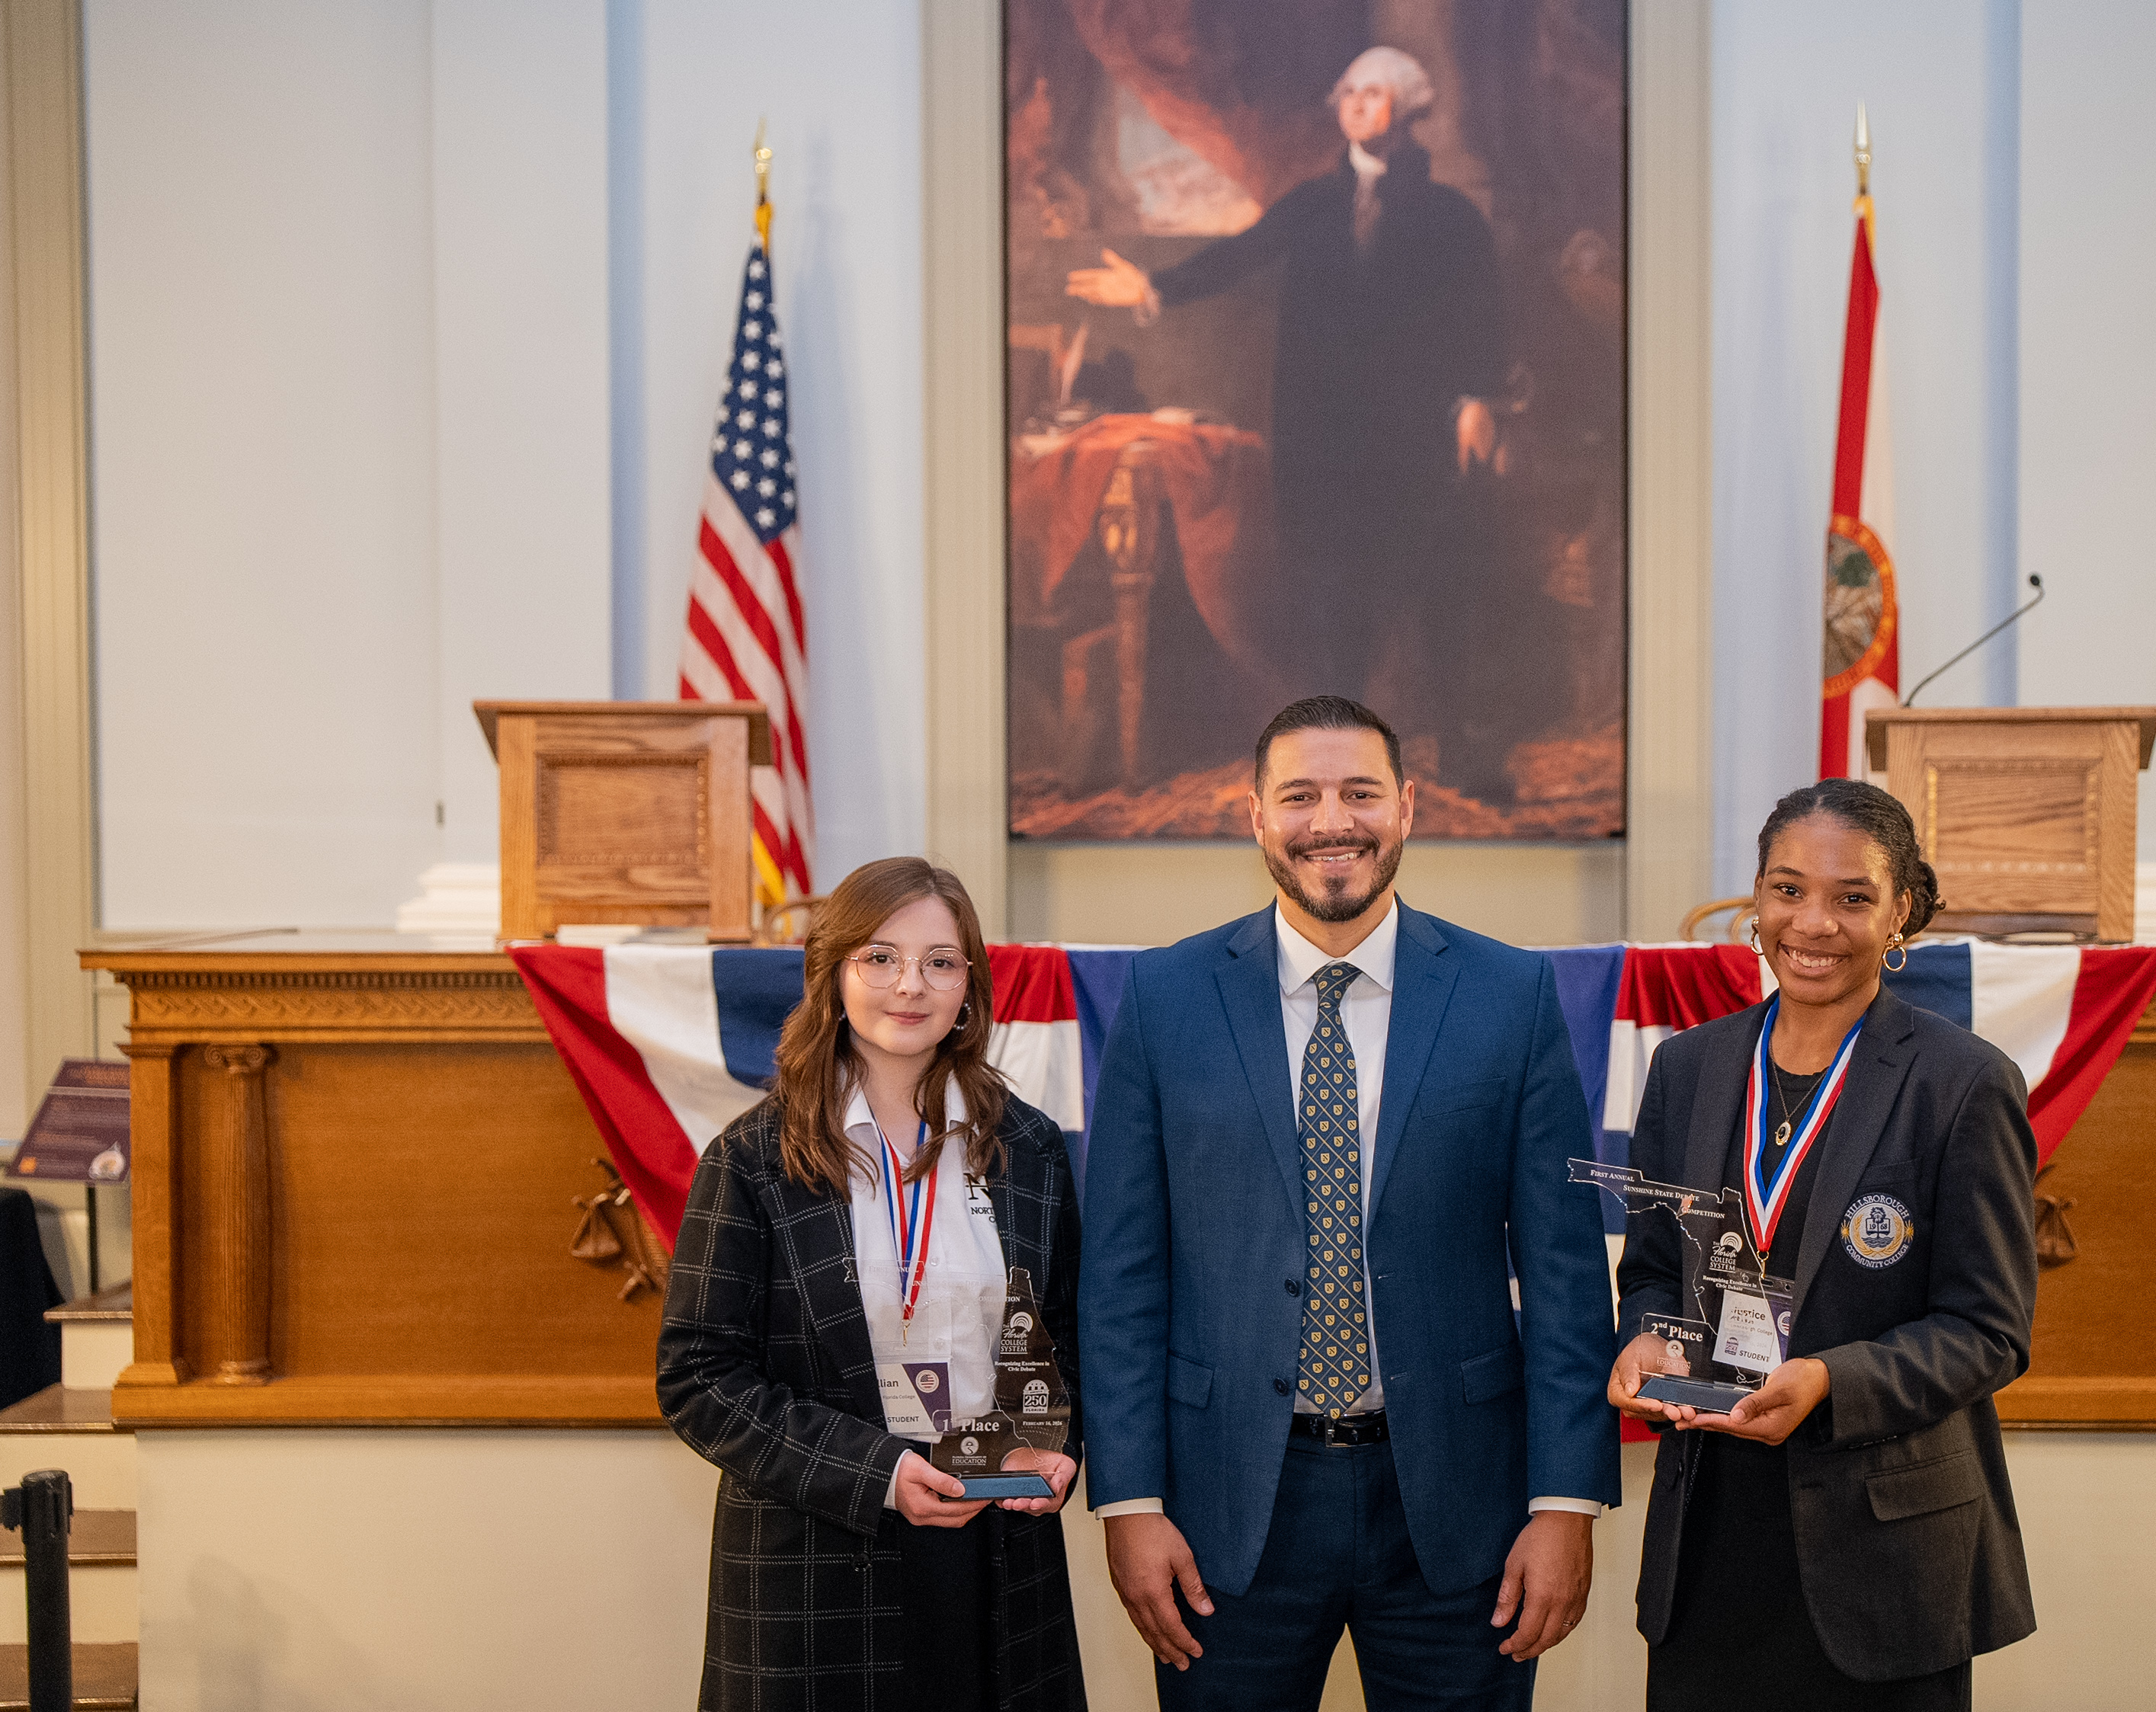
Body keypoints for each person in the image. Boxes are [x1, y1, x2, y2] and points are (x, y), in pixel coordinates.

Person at [1081, 694, 1619, 1710]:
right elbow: (1120, 1273)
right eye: (1300, 794)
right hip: (1221, 1512)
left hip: (1462, 1515)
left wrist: (1563, 1501)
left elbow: (1560, 1271)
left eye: (1361, 792)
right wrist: (1128, 1498)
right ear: (1254, 815)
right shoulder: (1163, 998)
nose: (1333, 820)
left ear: (1407, 807)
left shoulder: (1511, 993)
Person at [1608, 779, 2039, 1709]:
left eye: (1852, 898)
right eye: (1787, 889)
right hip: (1708, 1539)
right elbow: (1648, 1269)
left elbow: (1988, 1331)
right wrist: (1645, 1336)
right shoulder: (1686, 1068)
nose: (1813, 923)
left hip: (1884, 1559)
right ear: (1755, 906)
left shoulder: (1961, 1084)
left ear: (1900, 916)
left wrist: (1830, 1381)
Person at [660, 858, 1088, 1712]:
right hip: (816, 1556)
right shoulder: (752, 1159)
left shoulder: (1029, 1149)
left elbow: (1065, 1330)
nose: (910, 985)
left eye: (939, 960)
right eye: (880, 957)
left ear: (968, 985)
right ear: (834, 974)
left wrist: (1062, 1441)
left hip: (997, 1549)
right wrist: (881, 1473)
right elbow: (700, 1378)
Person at [1065, 50, 1505, 785]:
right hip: (1324, 439)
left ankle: (1460, 741)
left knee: (1435, 587)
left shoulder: (1450, 216)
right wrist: (1151, 285)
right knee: (1334, 597)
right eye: (1351, 93)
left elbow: (1479, 315)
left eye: (1377, 94)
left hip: (1415, 438)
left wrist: (1477, 400)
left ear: (1408, 108)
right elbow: (1238, 256)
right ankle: (1343, 758)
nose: (1360, 105)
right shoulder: (1310, 204)